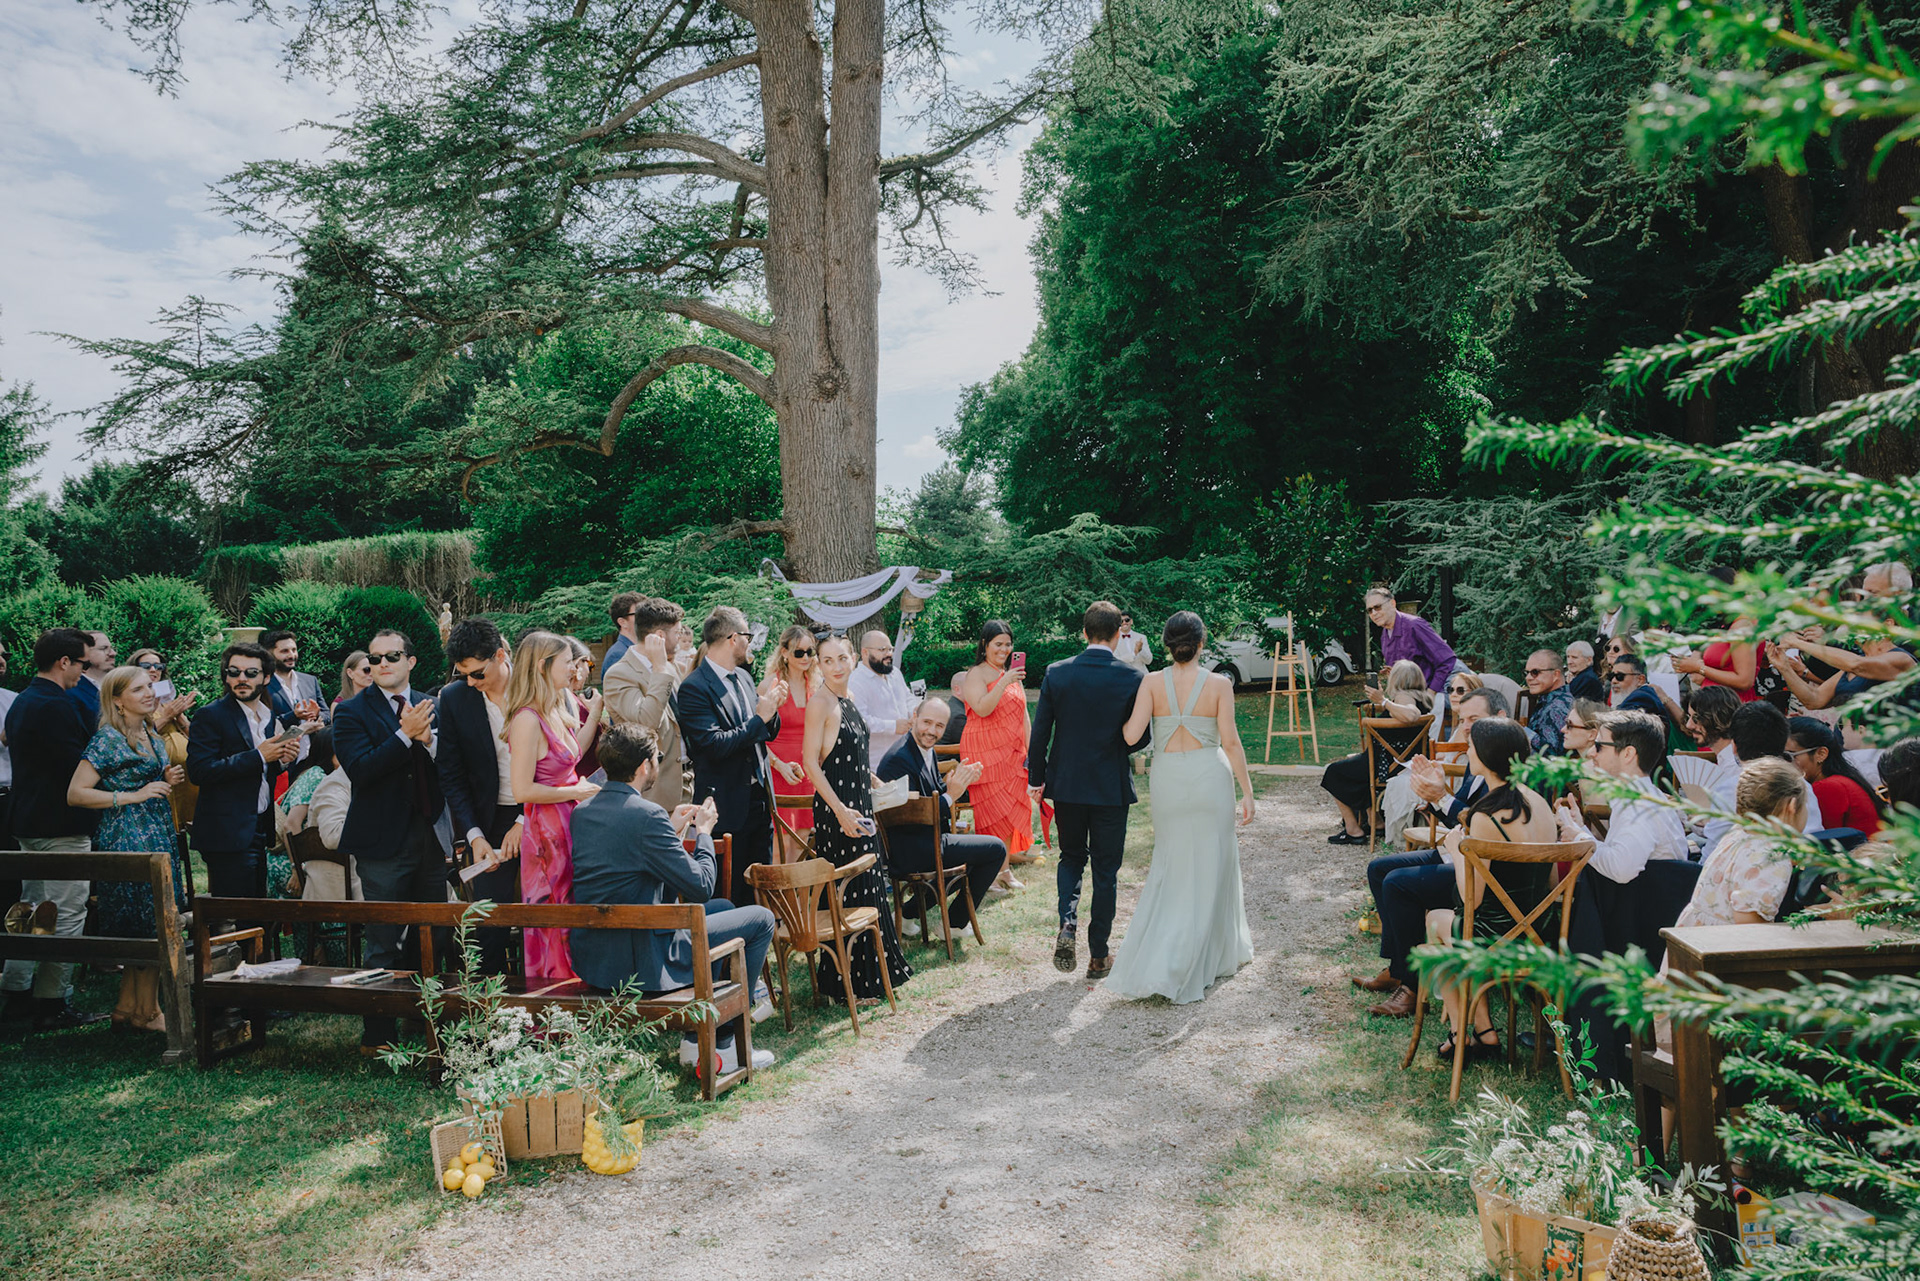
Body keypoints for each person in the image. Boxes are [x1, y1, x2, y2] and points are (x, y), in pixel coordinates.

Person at [570, 724, 776, 1071]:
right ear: (644, 766)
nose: (658, 763)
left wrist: (672, 830)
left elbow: (629, 867)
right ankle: (724, 1042)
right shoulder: (647, 816)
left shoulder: (583, 812)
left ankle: (696, 1038)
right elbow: (701, 885)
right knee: (761, 919)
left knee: (723, 908)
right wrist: (703, 833)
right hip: (643, 960)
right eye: (658, 757)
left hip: (600, 956)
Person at [1104, 611, 1255, 1003]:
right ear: (1201, 643)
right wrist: (1248, 791)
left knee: (1172, 862)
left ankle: (1167, 954)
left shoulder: (1151, 682)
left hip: (1168, 776)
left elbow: (1131, 735)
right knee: (1215, 860)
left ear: (1167, 644)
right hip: (1210, 776)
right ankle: (1210, 953)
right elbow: (1231, 742)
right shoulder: (1220, 684)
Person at [1353, 688, 1506, 1016]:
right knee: (1379, 870)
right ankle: (1398, 968)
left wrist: (1441, 797)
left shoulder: (1504, 763)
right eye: (1462, 720)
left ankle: (1411, 986)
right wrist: (1434, 797)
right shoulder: (1477, 756)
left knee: (1398, 883)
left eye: (1475, 719)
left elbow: (1481, 823)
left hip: (1480, 869)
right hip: (1457, 851)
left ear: (1500, 719)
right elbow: (1464, 813)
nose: (1466, 727)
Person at [333, 628, 447, 1051]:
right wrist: (403, 736)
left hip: (430, 836)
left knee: (432, 936)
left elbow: (451, 766)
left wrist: (428, 738)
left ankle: (423, 1019)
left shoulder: (434, 705)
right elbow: (361, 770)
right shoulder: (350, 712)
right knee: (383, 938)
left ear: (410, 662)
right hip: (381, 841)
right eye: (374, 659)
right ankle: (378, 1032)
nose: (381, 664)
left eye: (391, 656)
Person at [63, 664, 191, 1032]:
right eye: (138, 689)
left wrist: (163, 777)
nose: (149, 693)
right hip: (128, 834)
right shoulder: (108, 739)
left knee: (153, 918)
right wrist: (132, 795)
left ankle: (128, 1008)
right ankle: (148, 1012)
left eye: (150, 686)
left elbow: (140, 775)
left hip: (158, 830)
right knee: (145, 921)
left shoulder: (149, 730)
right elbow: (76, 793)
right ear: (117, 700)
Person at [1027, 601, 1151, 980]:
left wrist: (1037, 779)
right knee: (1106, 871)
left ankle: (1067, 924)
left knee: (1071, 858)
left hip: (1067, 785)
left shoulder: (1057, 672)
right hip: (1110, 787)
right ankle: (1099, 955)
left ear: (1084, 633)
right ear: (1117, 635)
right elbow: (1140, 738)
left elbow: (1040, 732)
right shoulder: (1132, 677)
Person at [1426, 718, 1560, 1060]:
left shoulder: (1486, 816)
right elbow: (1552, 884)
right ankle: (1484, 1032)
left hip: (1499, 937)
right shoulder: (1540, 804)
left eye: (1472, 746)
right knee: (1455, 928)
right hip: (1542, 933)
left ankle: (1462, 1033)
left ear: (1486, 755)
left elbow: (1471, 899)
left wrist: (1458, 851)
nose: (1468, 751)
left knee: (1435, 920)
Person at [0, 630, 108, 1030]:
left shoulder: (24, 699)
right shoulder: (57, 705)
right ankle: (52, 1001)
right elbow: (75, 767)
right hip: (59, 823)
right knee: (66, 910)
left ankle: (16, 992)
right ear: (64, 662)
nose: (83, 671)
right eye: (82, 664)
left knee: (31, 907)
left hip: (27, 819)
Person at [803, 635, 911, 1001]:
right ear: (819, 665)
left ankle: (872, 975)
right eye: (827, 660)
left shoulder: (848, 698)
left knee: (869, 884)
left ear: (853, 659)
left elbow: (849, 754)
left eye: (841, 658)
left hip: (859, 803)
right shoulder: (820, 703)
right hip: (838, 811)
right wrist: (839, 810)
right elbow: (810, 763)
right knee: (849, 891)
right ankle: (846, 983)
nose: (836, 666)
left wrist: (873, 779)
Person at [506, 631, 603, 981]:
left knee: (574, 914)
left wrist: (595, 714)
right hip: (546, 835)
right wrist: (575, 790)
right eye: (566, 662)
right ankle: (554, 1001)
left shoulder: (558, 709)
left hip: (571, 823)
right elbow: (522, 790)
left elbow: (571, 758)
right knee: (555, 918)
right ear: (542, 666)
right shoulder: (527, 719)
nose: (574, 669)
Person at [679, 606, 787, 905]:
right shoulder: (694, 687)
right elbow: (713, 745)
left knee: (759, 887)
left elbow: (762, 733)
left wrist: (772, 710)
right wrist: (760, 718)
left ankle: (760, 933)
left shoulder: (743, 677)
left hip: (759, 798)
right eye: (747, 636)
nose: (749, 643)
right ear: (732, 638)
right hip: (725, 804)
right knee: (729, 892)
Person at [187, 641, 304, 903]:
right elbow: (200, 771)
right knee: (237, 914)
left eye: (251, 673)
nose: (242, 678)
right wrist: (259, 755)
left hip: (259, 827)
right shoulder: (210, 715)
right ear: (226, 676)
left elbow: (261, 773)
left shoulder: (268, 716)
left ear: (266, 678)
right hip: (227, 832)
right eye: (234, 672)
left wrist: (281, 761)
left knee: (256, 910)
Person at [440, 619, 525, 974]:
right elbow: (452, 774)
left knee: (549, 914)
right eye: (463, 675)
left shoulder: (536, 687)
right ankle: (492, 1001)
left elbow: (561, 763)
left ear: (500, 656)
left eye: (477, 674)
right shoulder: (454, 698)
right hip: (489, 821)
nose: (471, 683)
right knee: (488, 922)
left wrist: (524, 819)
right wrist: (474, 836)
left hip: (541, 810)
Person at [874, 697, 1006, 927]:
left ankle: (907, 915)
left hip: (928, 839)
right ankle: (954, 925)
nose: (931, 731)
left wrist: (956, 782)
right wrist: (951, 795)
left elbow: (930, 795)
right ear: (914, 717)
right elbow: (911, 817)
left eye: (939, 726)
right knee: (996, 849)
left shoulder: (925, 749)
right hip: (911, 848)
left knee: (981, 855)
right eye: (927, 722)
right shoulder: (898, 760)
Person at [1554, 711, 1689, 882]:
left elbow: (1621, 869)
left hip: (1645, 898)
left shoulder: (1637, 805)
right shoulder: (1643, 796)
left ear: (1628, 754)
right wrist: (1580, 829)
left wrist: (1579, 837)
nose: (1591, 753)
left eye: (1599, 746)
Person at [1674, 757, 1803, 933]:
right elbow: (1749, 925)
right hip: (1724, 943)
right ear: (1792, 806)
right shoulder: (1773, 857)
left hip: (1695, 934)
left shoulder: (1738, 832)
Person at [1320, 659, 1435, 844]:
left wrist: (1383, 700)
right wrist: (1383, 702)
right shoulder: (1422, 698)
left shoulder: (1404, 698)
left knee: (1333, 772)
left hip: (1387, 766)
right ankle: (1376, 821)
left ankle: (1353, 829)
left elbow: (1411, 714)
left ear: (1398, 680)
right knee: (1353, 764)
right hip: (1402, 762)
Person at [959, 621, 1036, 888]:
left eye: (1008, 644)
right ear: (985, 644)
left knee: (1010, 811)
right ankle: (988, 874)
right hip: (985, 752)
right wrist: (1003, 682)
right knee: (991, 812)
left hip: (1013, 752)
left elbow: (1024, 715)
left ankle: (1004, 871)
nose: (1004, 649)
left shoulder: (1011, 674)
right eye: (998, 644)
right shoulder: (976, 674)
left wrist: (1032, 751)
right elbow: (982, 708)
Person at [1700, 701, 1826, 860]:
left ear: (1734, 746)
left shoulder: (1732, 788)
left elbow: (1713, 852)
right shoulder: (1803, 785)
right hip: (1805, 869)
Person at [604, 596, 690, 809]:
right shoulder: (620, 674)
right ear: (659, 636)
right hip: (653, 792)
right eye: (677, 633)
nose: (680, 639)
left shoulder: (670, 667)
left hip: (685, 783)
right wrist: (659, 670)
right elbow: (646, 722)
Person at [760, 625, 819, 835]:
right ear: (784, 652)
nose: (806, 657)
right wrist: (778, 765)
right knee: (780, 842)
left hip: (807, 772)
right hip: (778, 771)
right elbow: (755, 736)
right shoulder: (770, 685)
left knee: (803, 836)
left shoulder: (816, 684)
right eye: (799, 652)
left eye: (810, 652)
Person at [1786, 716, 1883, 838]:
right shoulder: (1838, 780)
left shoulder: (1827, 787)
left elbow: (1822, 840)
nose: (1783, 763)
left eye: (1789, 755)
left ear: (1821, 754)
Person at [1364, 584, 1458, 694]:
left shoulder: (1414, 625)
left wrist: (1431, 693)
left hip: (1442, 690)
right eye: (1369, 610)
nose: (1374, 613)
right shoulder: (1385, 636)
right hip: (1410, 696)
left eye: (1377, 607)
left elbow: (1447, 660)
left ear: (1392, 603)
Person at [848, 629, 916, 769]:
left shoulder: (895, 673)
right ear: (865, 652)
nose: (889, 654)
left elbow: (908, 697)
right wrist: (893, 726)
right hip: (876, 763)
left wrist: (915, 711)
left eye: (890, 649)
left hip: (904, 755)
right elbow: (860, 722)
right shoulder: (855, 681)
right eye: (882, 650)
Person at [1671, 621, 1760, 702]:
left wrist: (1698, 668)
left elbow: (1744, 681)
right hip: (1713, 699)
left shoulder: (1742, 627)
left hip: (1728, 703)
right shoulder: (1728, 625)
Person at [563, 635, 605, 778]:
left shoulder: (572, 696)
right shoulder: (562, 698)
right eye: (590, 665)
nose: (589, 672)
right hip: (579, 779)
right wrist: (595, 713)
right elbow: (576, 749)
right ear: (578, 663)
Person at [262, 630, 328, 719]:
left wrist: (317, 715)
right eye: (284, 651)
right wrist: (293, 716)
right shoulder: (263, 684)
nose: (291, 655)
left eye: (294, 650)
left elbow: (327, 715)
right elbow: (263, 722)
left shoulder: (310, 681)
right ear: (270, 654)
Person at [1521, 649, 1573, 756]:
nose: (1528, 678)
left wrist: (1521, 732)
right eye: (1526, 673)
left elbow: (1550, 754)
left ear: (1556, 675)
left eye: (1535, 672)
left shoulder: (1556, 708)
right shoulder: (1560, 698)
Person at [1606, 653, 1672, 727]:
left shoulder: (1641, 697)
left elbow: (1616, 726)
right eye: (1611, 676)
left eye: (1620, 676)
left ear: (1640, 680)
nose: (1613, 681)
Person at [1685, 685, 1741, 765]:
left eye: (1696, 718)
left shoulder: (1733, 765)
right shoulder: (1728, 759)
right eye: (1689, 716)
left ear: (1720, 719)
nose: (1688, 725)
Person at [69, 630, 115, 722]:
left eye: (112, 648)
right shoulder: (72, 693)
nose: (113, 653)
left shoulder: (119, 687)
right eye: (104, 648)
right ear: (84, 653)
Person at [602, 592, 645, 681]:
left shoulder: (639, 650)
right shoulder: (618, 655)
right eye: (640, 614)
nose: (647, 618)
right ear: (622, 622)